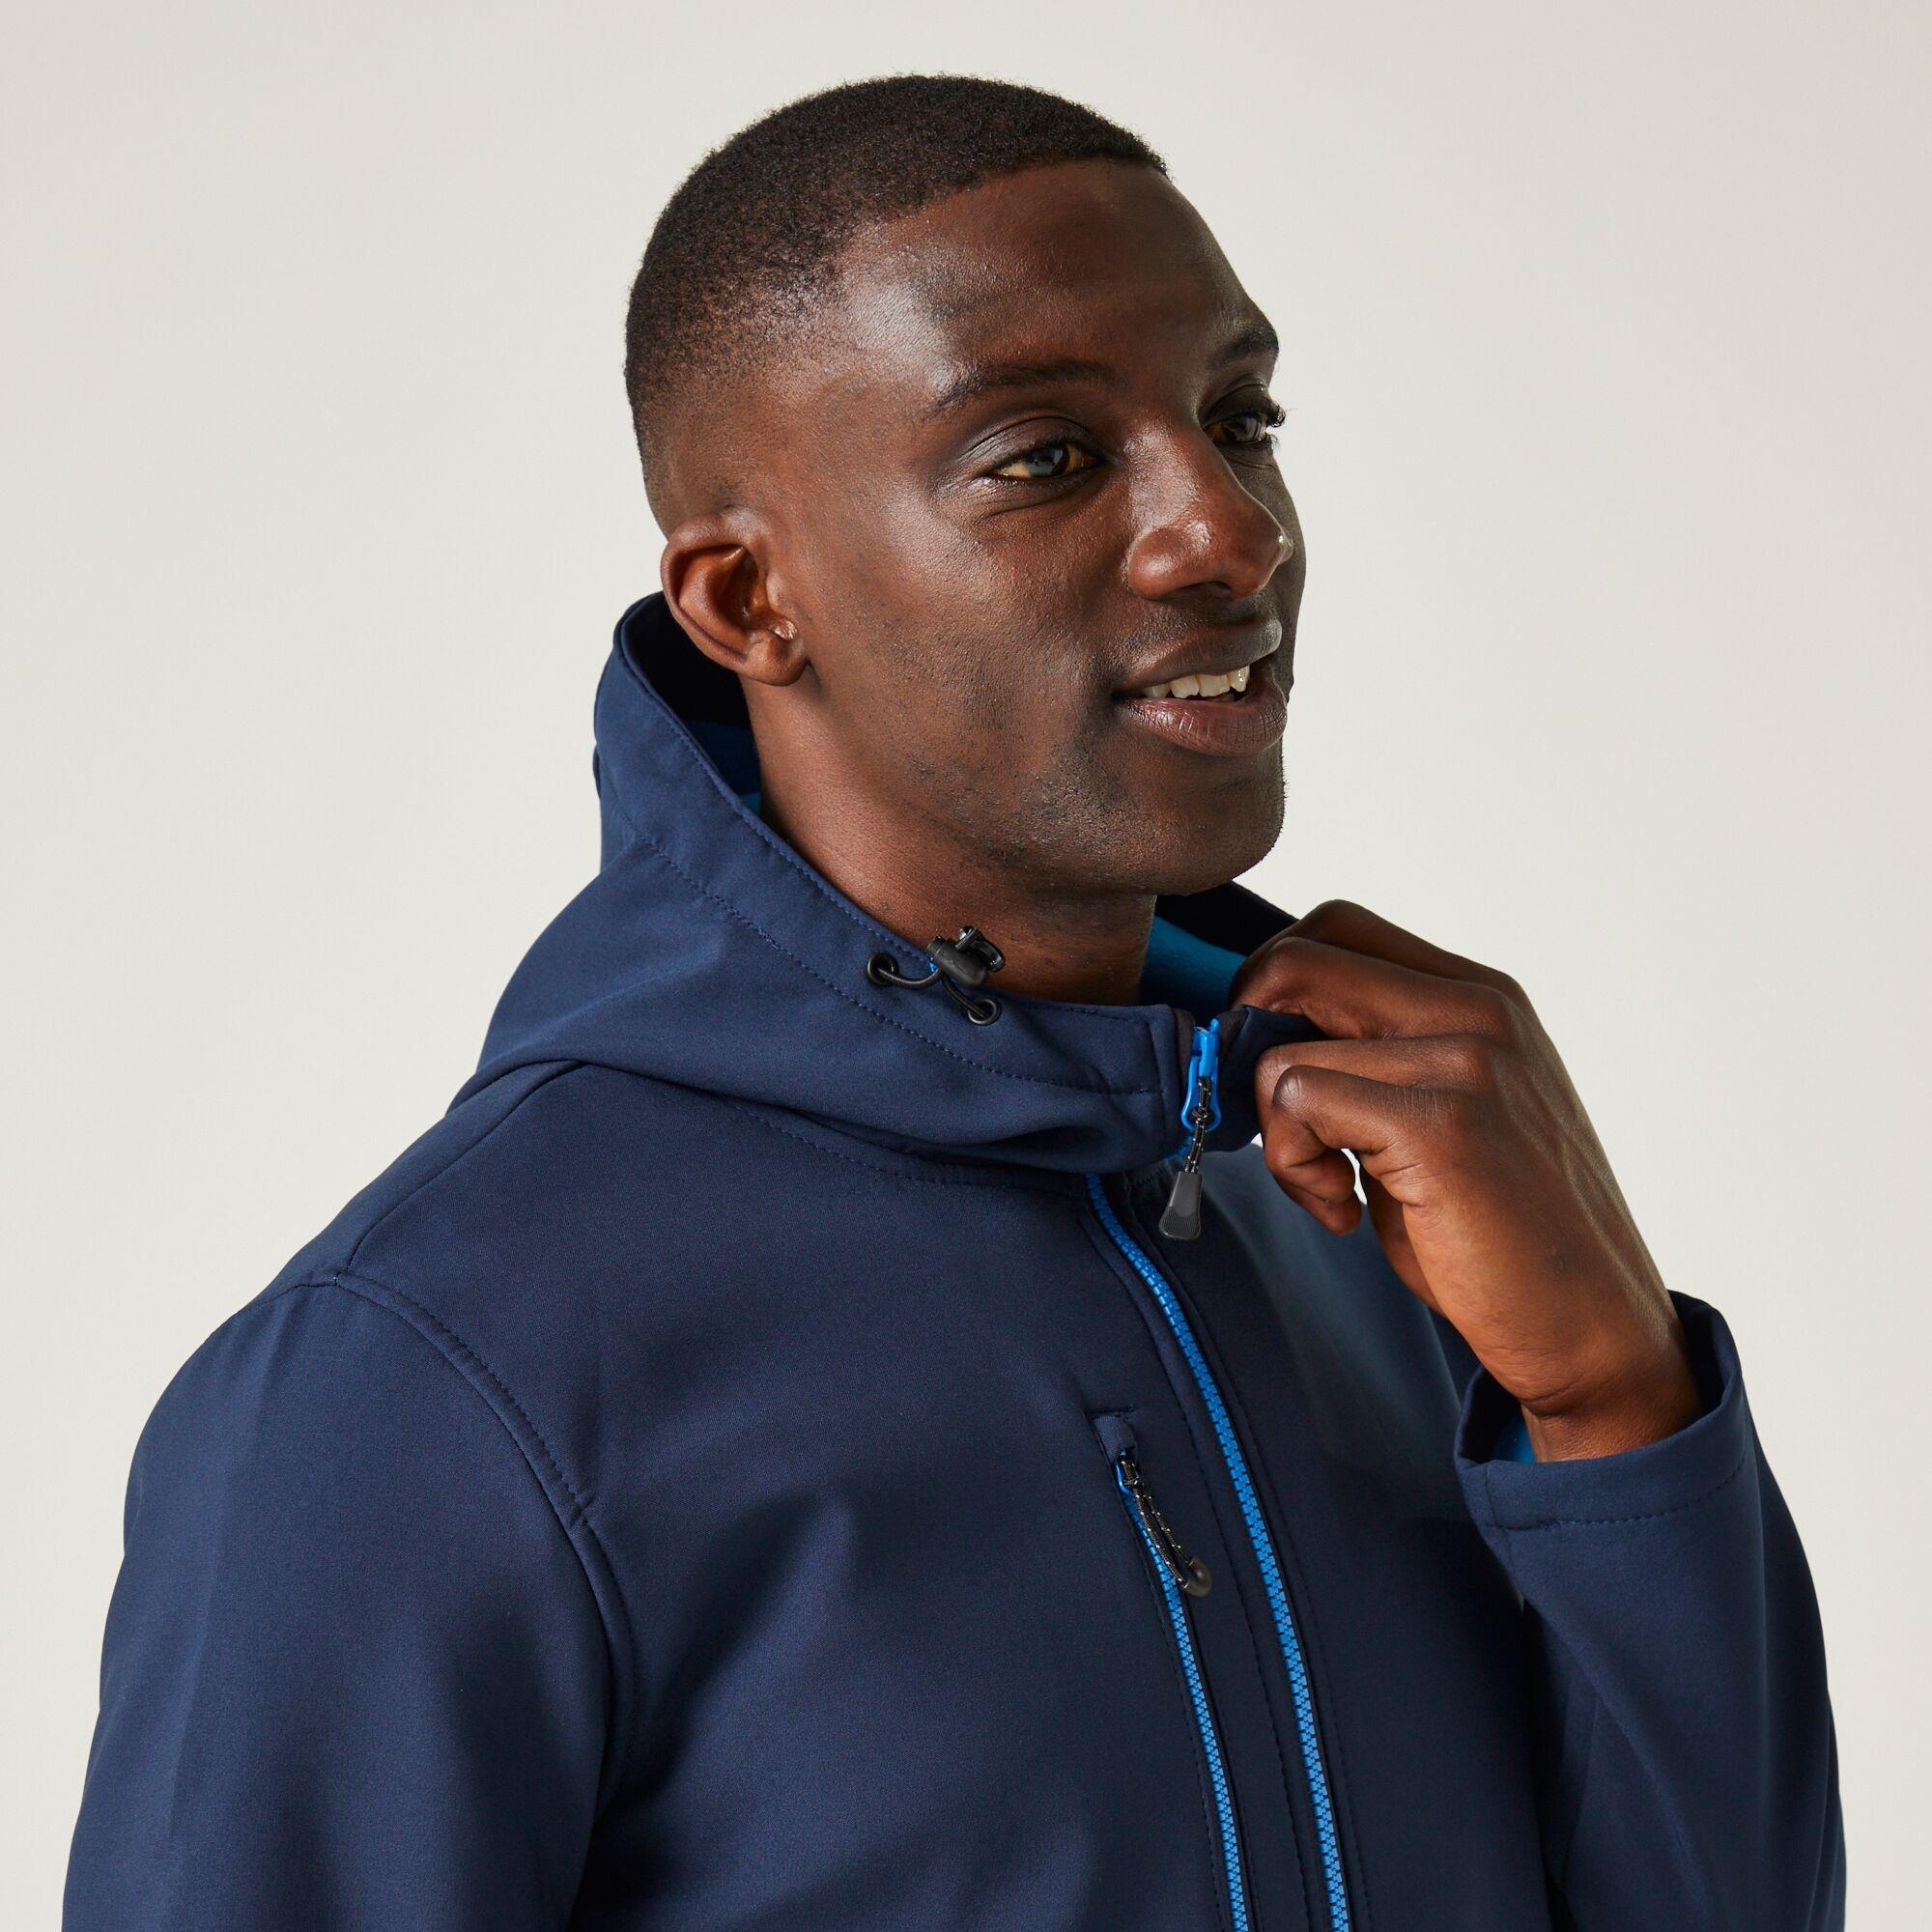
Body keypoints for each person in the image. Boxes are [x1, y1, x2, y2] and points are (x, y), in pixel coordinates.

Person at [63, 73, 1845, 1932]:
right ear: (749, 599)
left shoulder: (1380, 1214)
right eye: (1045, 458)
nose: (1227, 529)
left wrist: (1612, 1401)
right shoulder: (424, 1379)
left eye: (1241, 417)